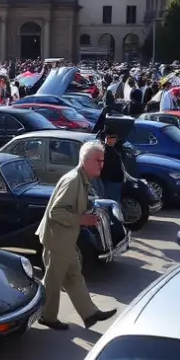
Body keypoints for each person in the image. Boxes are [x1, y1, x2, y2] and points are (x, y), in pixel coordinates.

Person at [36, 140, 117, 330]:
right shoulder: (73, 181)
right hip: (57, 241)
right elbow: (56, 212)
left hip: (65, 240)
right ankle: (46, 317)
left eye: (103, 160)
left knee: (74, 276)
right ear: (86, 160)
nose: (101, 164)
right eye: (98, 160)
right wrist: (82, 219)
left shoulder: (81, 179)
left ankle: (90, 314)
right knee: (53, 282)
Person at [96, 130, 126, 205]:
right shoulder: (106, 149)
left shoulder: (117, 149)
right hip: (108, 180)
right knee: (108, 201)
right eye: (111, 137)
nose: (115, 139)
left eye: (114, 138)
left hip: (115, 180)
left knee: (113, 201)